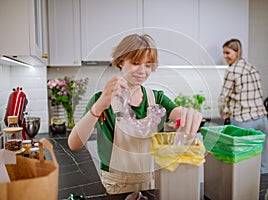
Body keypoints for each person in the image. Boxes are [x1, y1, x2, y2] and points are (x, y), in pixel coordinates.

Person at [68, 33, 202, 194]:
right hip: (118, 186)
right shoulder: (102, 99)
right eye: (136, 62)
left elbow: (177, 112)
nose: (142, 70)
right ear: (120, 61)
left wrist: (189, 114)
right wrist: (98, 108)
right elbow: (74, 144)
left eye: (148, 65)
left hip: (152, 183)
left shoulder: (157, 98)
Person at [218, 38, 268, 173]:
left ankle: (243, 193)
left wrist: (222, 112)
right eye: (223, 53)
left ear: (237, 52)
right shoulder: (252, 67)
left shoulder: (232, 70)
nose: (225, 56)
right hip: (262, 119)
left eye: (228, 53)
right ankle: (260, 190)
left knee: (241, 165)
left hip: (243, 120)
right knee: (260, 162)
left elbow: (223, 97)